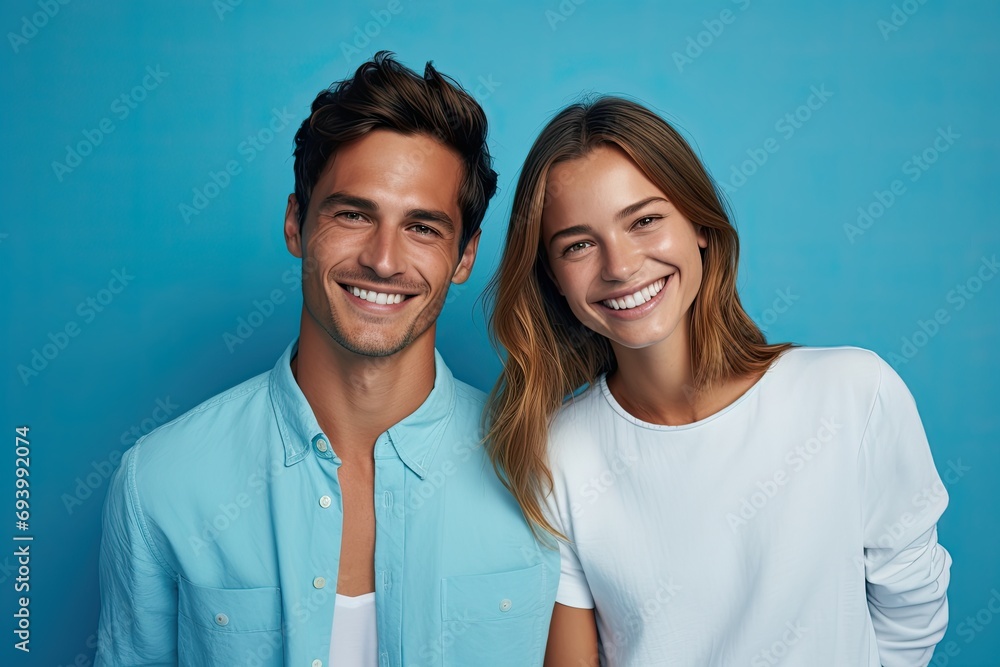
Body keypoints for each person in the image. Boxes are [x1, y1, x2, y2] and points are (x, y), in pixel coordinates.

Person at [96, 52, 558, 667]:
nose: (384, 260)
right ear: (296, 223)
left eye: (422, 228)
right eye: (352, 214)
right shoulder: (159, 481)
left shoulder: (546, 473)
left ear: (465, 256)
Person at [485, 96, 951, 666]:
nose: (621, 265)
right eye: (579, 244)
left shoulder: (854, 393)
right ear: (552, 277)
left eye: (645, 220)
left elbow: (911, 618)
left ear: (700, 226)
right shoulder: (554, 451)